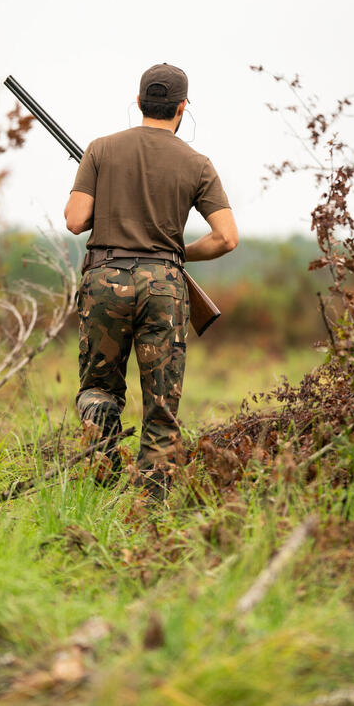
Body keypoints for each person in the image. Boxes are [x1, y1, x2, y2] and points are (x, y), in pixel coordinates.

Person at [64, 63, 238, 498]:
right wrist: (179, 253)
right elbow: (226, 238)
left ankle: (100, 481)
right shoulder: (197, 163)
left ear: (140, 101)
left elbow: (74, 221)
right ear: (182, 107)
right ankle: (149, 510)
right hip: (164, 284)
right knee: (161, 407)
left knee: (99, 389)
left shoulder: (100, 149)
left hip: (105, 280)